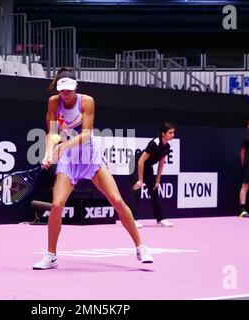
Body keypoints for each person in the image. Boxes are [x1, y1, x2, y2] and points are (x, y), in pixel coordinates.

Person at [32, 67, 154, 270]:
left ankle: (141, 247)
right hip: (69, 161)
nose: (65, 94)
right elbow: (51, 132)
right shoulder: (54, 102)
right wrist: (47, 152)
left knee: (116, 200)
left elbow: (87, 134)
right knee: (56, 206)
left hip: (90, 156)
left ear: (76, 87)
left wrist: (62, 146)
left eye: (69, 90)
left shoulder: (87, 101)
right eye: (62, 90)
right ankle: (51, 256)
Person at [129, 123, 175, 228]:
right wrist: (140, 180)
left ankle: (160, 219)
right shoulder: (154, 143)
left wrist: (157, 180)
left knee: (154, 191)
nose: (172, 134)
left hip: (147, 166)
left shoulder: (167, 146)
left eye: (173, 132)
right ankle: (132, 220)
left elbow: (161, 163)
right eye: (170, 132)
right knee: (136, 190)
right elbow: (141, 161)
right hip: (135, 164)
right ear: (163, 134)